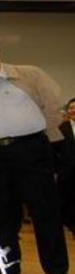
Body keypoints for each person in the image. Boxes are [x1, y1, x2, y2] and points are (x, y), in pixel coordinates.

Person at [0, 41, 69, 274]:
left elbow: (54, 106)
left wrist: (42, 137)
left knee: (44, 209)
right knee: (1, 213)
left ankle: (57, 269)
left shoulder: (29, 75)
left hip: (32, 149)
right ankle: (7, 265)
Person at [58, 98, 75, 239]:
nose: (73, 110)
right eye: (70, 108)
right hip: (67, 171)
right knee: (68, 198)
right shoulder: (61, 128)